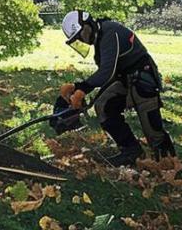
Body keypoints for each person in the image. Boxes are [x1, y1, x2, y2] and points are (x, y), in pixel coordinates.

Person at [59, 9, 175, 166]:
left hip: (143, 78)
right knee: (103, 106)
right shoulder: (100, 40)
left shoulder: (109, 32)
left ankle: (169, 162)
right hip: (124, 79)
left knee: (152, 129)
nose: (83, 40)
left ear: (88, 23)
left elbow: (107, 71)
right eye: (78, 38)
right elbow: (108, 75)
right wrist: (78, 88)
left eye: (82, 34)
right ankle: (131, 151)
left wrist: (82, 89)